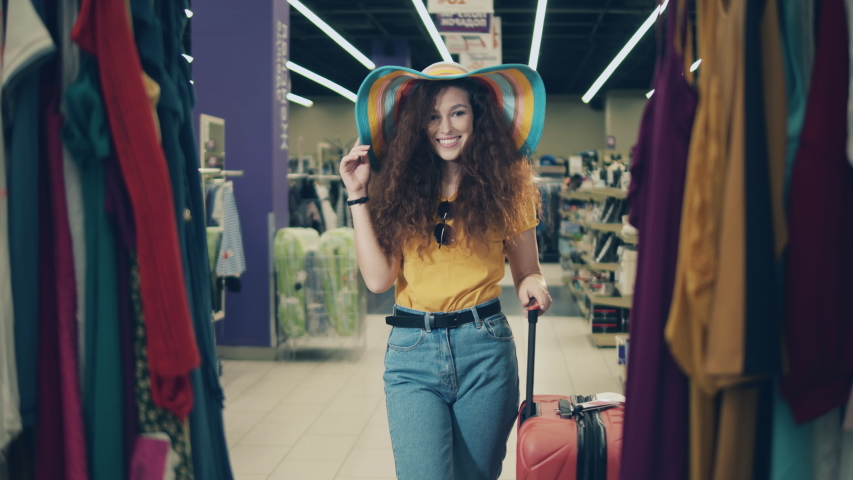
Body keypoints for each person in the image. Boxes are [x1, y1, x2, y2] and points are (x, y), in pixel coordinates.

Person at [339, 61, 551, 480]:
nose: (446, 127)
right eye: (433, 116)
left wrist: (534, 286)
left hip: (485, 350)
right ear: (418, 125)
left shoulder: (510, 187)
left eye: (458, 112)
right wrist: (358, 194)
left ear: (477, 116)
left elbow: (529, 272)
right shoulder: (397, 188)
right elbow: (379, 280)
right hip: (412, 352)